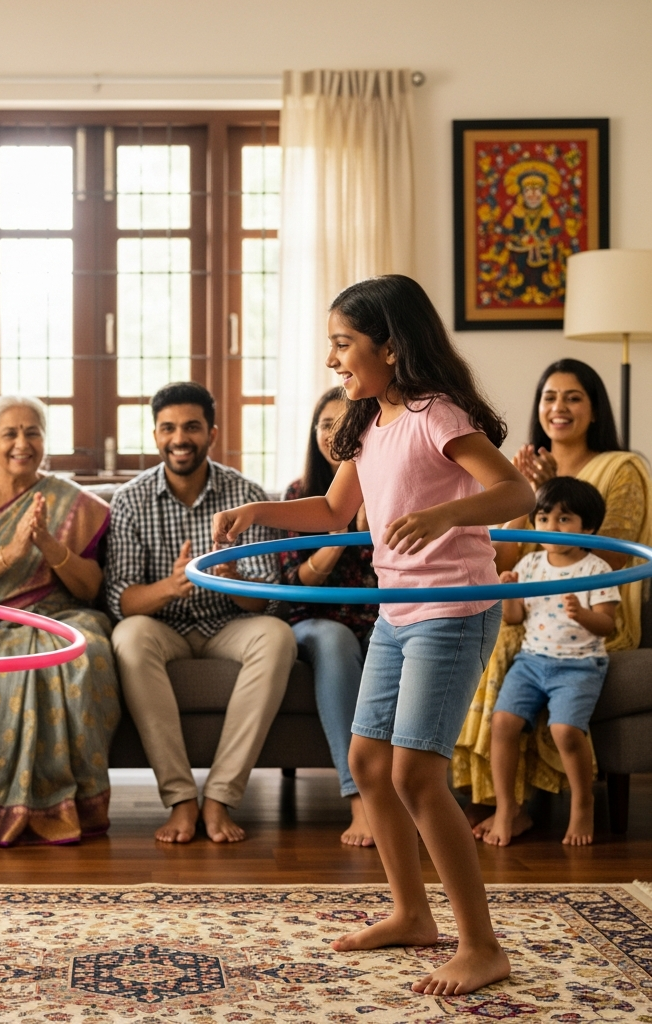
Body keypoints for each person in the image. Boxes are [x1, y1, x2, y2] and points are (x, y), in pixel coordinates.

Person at [213, 275, 534, 995]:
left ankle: (482, 945)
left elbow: (518, 494)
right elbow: (332, 513)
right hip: (398, 610)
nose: (334, 360)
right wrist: (256, 512)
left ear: (390, 346)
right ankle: (411, 913)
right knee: (365, 761)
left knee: (415, 773)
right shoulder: (367, 422)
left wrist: (447, 518)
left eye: (343, 344)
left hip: (454, 607)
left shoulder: (436, 413)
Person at [453, 358, 652, 835]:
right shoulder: (516, 470)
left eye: (573, 397)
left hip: (591, 617)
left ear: (595, 409)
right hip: (532, 610)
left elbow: (612, 560)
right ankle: (491, 797)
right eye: (549, 396)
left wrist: (545, 490)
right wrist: (524, 496)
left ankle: (501, 802)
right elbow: (503, 561)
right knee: (478, 626)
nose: (558, 407)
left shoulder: (622, 468)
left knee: (499, 641)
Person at [106, 382, 297, 845]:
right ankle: (180, 799)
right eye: (168, 428)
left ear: (211, 433)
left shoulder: (243, 493)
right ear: (155, 436)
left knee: (276, 635)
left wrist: (232, 577)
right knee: (129, 635)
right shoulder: (130, 500)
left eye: (191, 427)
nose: (179, 438)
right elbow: (122, 599)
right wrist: (172, 587)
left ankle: (221, 796)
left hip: (227, 624)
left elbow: (266, 598)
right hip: (163, 628)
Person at [0, 395, 120, 846]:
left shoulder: (73, 504)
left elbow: (91, 589)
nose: (22, 443)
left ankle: (70, 804)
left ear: (45, 442)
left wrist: (51, 548)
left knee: (86, 650)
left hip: (59, 614)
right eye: (10, 434)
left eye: (32, 432)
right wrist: (11, 554)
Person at [485, 478, 619, 848]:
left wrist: (582, 616)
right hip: (531, 661)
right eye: (544, 518)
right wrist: (509, 589)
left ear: (588, 527)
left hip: (579, 665)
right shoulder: (530, 564)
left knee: (565, 731)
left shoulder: (596, 569)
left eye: (564, 519)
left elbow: (607, 625)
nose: (551, 527)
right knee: (502, 723)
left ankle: (583, 801)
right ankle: (506, 807)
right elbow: (514, 618)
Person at [281, 386, 376, 847]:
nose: (332, 434)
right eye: (324, 424)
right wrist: (338, 535)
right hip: (316, 619)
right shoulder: (301, 495)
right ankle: (359, 799)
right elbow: (295, 584)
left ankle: (407, 795)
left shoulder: (388, 487)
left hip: (377, 616)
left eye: (344, 424)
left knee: (403, 639)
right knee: (337, 641)